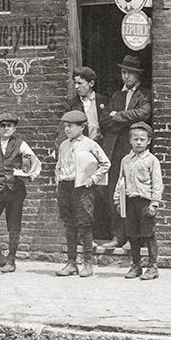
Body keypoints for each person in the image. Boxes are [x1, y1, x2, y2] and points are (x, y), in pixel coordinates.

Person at [97, 54, 152, 250]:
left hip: (133, 150)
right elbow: (104, 119)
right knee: (114, 191)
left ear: (138, 75)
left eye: (130, 73)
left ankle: (136, 238)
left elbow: (143, 114)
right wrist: (124, 119)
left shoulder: (144, 95)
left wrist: (118, 116)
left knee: (136, 193)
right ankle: (118, 236)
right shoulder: (116, 96)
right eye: (123, 72)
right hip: (114, 150)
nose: (126, 76)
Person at [0, 112, 41, 273]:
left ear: (14, 128)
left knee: (13, 226)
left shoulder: (21, 144)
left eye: (9, 126)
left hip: (15, 191)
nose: (6, 128)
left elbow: (35, 163)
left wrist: (30, 176)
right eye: (2, 126)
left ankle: (11, 261)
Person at [54, 110, 110, 278]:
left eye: (70, 126)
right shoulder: (64, 145)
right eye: (65, 126)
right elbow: (59, 165)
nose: (67, 129)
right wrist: (58, 179)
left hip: (82, 188)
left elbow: (105, 163)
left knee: (84, 225)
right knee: (69, 226)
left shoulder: (90, 144)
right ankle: (71, 263)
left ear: (82, 127)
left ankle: (88, 263)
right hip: (65, 187)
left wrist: (92, 179)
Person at [113, 122, 164, 280]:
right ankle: (135, 266)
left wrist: (154, 203)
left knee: (148, 235)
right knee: (133, 235)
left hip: (145, 203)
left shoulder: (152, 160)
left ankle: (153, 267)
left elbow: (157, 183)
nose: (139, 142)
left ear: (149, 141)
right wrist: (117, 199)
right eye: (135, 139)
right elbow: (121, 181)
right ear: (130, 140)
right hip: (130, 202)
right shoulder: (126, 160)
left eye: (142, 139)